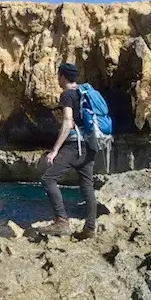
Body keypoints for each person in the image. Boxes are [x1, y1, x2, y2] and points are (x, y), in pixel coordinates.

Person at [38, 63, 96, 240]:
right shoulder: (84, 93)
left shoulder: (67, 94)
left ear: (63, 76)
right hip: (90, 145)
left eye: (59, 75)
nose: (58, 78)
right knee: (87, 186)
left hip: (74, 146)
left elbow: (68, 122)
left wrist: (54, 151)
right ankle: (90, 228)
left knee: (48, 179)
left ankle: (61, 222)